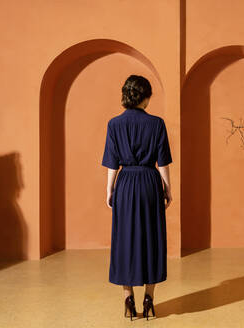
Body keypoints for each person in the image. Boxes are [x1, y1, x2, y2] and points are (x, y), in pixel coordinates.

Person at [101, 74, 172, 321]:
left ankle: (128, 300)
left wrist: (110, 190)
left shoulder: (114, 124)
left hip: (126, 184)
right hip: (150, 183)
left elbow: (112, 163)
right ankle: (149, 298)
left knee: (125, 240)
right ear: (146, 97)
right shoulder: (157, 124)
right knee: (152, 238)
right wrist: (167, 188)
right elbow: (162, 161)